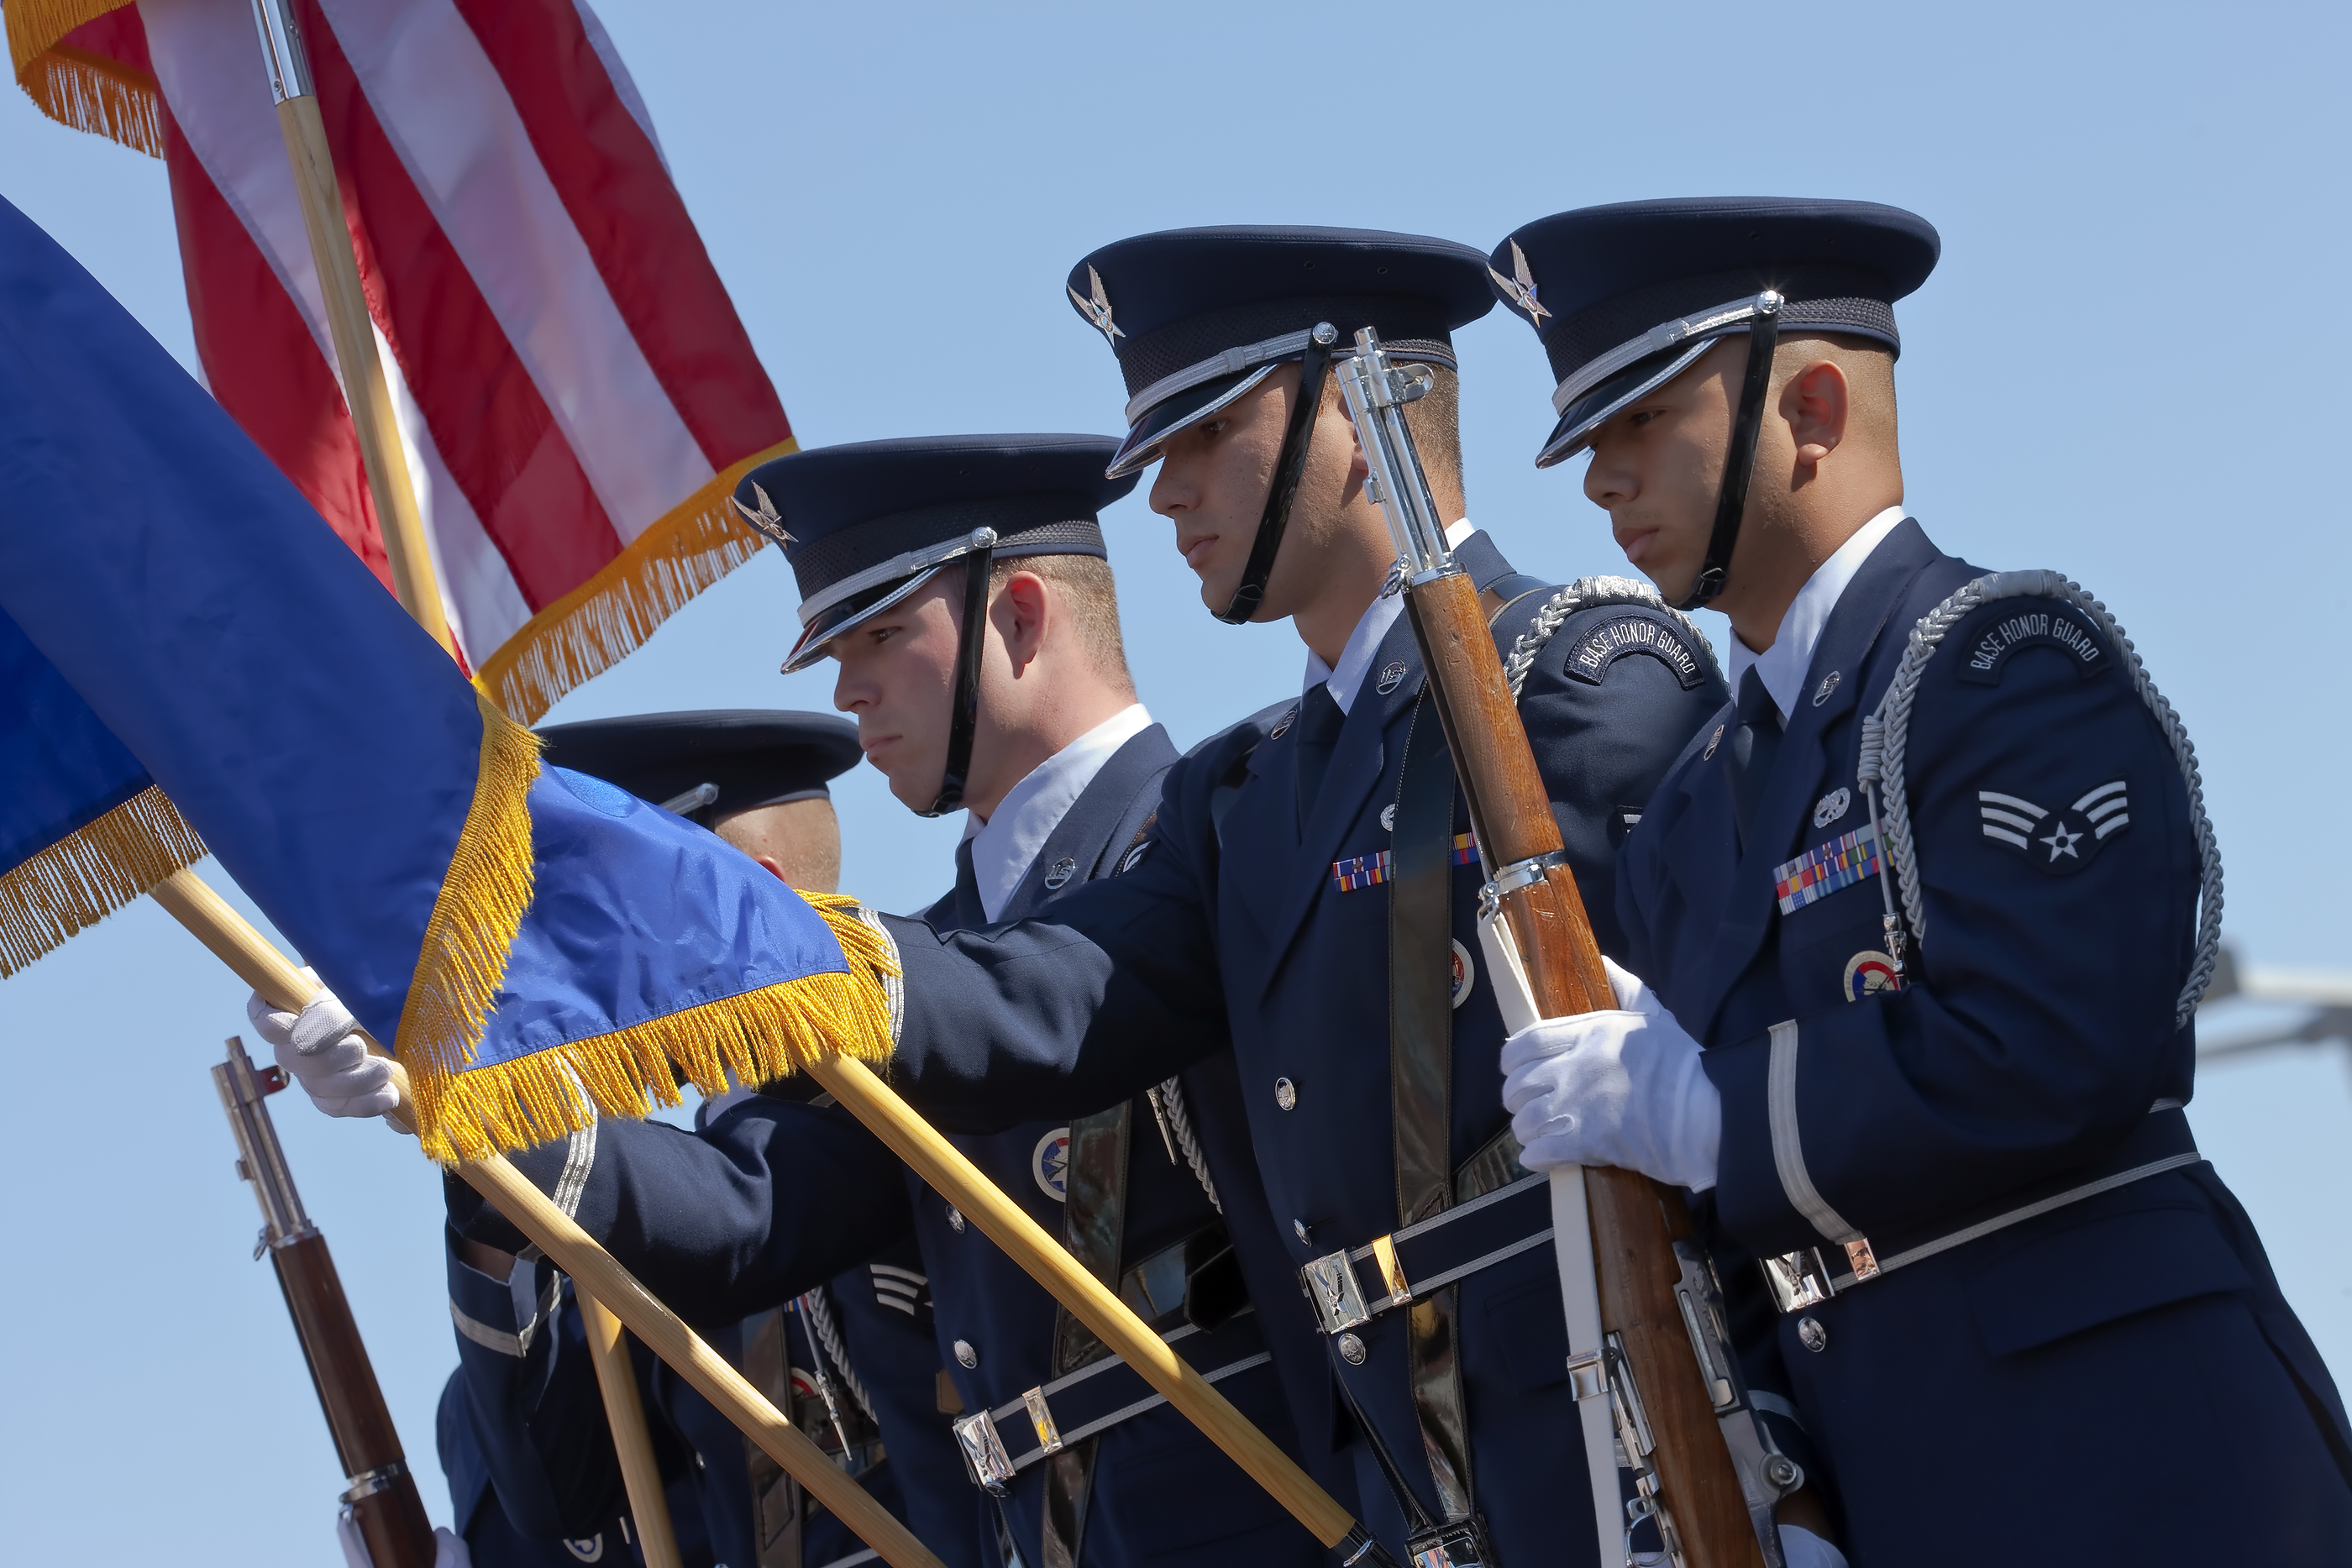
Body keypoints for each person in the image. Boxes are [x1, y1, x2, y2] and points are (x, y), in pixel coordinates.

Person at [766, 229, 1739, 1567]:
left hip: (1625, 1462)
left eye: (1208, 430)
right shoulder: (1247, 795)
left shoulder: (1577, 674)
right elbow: (1052, 992)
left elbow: (1724, 1094)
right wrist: (744, 943)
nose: (1163, 494)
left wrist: (1785, 1474)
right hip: (1425, 1498)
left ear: (1357, 409)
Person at [1484, 197, 2352, 1565]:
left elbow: (2056, 1042)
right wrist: (1771, 1478)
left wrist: (1713, 1117)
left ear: (1813, 408)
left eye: (1643, 419)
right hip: (1890, 1480)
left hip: (2138, 1461)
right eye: (1594, 437)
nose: (1602, 479)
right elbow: (1718, 1244)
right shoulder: (1695, 809)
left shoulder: (2001, 666)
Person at [265, 711, 973, 1568]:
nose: (555, 961)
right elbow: (554, 1490)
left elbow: (740, 1209)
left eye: (597, 918)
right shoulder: (649, 1196)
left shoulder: (919, 1101)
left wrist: (465, 1088)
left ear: (750, 895)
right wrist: (474, 1140)